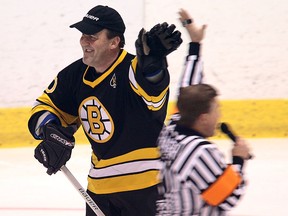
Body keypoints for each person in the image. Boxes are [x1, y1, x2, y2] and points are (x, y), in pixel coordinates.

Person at [28, 5, 182, 216]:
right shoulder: (74, 75)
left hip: (147, 187)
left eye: (92, 36)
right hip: (99, 189)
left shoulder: (134, 68)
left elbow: (153, 93)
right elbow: (45, 106)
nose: (84, 41)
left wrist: (154, 67)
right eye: (83, 35)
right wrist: (50, 130)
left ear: (114, 42)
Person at [155, 9, 251, 215]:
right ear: (203, 117)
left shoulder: (172, 128)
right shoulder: (200, 152)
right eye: (217, 110)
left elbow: (189, 87)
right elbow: (227, 196)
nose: (219, 115)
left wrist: (195, 44)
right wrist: (238, 160)